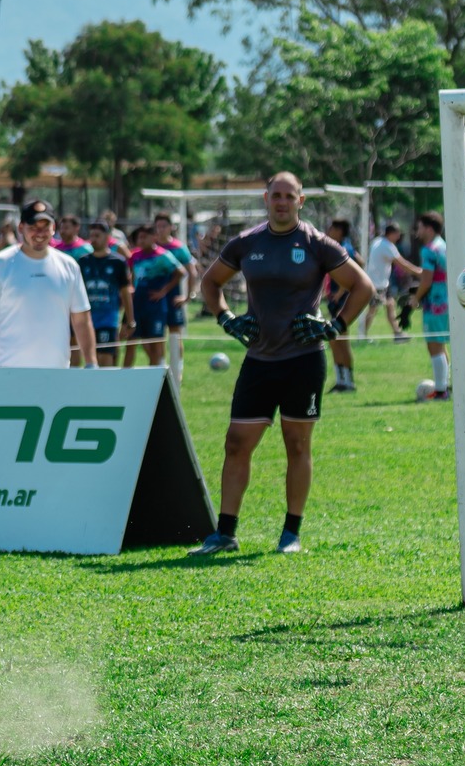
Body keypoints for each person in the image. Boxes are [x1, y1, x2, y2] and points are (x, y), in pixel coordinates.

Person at [193, 172, 372, 554]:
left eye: (290, 196)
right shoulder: (247, 242)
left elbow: (363, 287)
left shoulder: (316, 244)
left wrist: (335, 327)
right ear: (266, 198)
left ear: (301, 201)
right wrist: (226, 318)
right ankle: (225, 534)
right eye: (276, 195)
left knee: (297, 444)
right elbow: (210, 282)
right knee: (236, 443)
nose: (282, 202)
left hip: (303, 361)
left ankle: (291, 534)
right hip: (259, 359)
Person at [0, 200, 96, 368]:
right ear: (21, 228)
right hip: (6, 372)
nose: (39, 233)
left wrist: (91, 363)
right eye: (33, 227)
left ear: (53, 228)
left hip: (56, 373)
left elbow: (81, 320)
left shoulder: (69, 266)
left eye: (45, 226)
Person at [409, 212, 452, 402]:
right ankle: (446, 385)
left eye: (419, 227)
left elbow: (426, 280)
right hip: (448, 300)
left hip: (435, 303)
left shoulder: (428, 250)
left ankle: (441, 391)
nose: (417, 231)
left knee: (434, 345)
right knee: (441, 345)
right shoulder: (444, 246)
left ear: (428, 228)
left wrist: (415, 298)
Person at [78, 220, 134, 367]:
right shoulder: (83, 262)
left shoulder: (117, 262)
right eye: (92, 235)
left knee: (105, 358)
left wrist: (130, 319)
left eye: (97, 235)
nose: (94, 239)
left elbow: (126, 292)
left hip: (108, 319)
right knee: (91, 359)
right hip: (87, 320)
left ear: (107, 237)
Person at [126, 224, 181, 369]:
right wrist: (131, 288)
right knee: (131, 342)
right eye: (139, 238)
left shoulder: (163, 256)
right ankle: (124, 374)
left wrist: (163, 291)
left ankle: (156, 374)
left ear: (154, 237)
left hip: (155, 307)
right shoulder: (134, 256)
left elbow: (180, 272)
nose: (141, 240)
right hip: (137, 305)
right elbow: (131, 275)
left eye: (144, 237)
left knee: (155, 343)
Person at [151, 213, 194, 376]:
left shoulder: (178, 247)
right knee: (157, 335)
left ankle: (178, 371)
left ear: (171, 227)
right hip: (154, 298)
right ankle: (161, 370)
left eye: (164, 226)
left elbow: (192, 272)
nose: (160, 230)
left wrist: (188, 296)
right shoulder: (152, 247)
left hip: (173, 297)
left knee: (175, 333)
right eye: (158, 226)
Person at [320, 219, 360, 392]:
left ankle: (347, 381)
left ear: (339, 230)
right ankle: (342, 380)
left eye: (331, 228)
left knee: (340, 340)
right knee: (335, 340)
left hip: (341, 302)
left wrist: (341, 291)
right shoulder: (343, 246)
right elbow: (361, 261)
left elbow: (356, 270)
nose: (328, 231)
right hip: (335, 301)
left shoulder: (343, 249)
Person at [361, 222, 406, 341]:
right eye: (397, 234)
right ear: (391, 233)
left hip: (381, 282)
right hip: (377, 284)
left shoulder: (377, 241)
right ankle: (363, 334)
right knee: (373, 309)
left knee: (390, 305)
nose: (398, 237)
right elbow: (402, 264)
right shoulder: (387, 246)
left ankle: (397, 333)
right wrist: (418, 272)